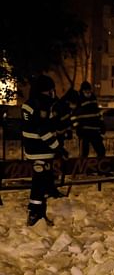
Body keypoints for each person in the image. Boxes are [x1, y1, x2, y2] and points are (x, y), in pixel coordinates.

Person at [21, 75, 65, 226]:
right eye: (50, 90)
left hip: (34, 149)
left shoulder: (30, 104)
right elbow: (43, 130)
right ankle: (34, 213)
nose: (52, 92)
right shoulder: (43, 106)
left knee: (43, 181)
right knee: (39, 183)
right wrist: (58, 147)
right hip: (41, 150)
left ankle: (39, 213)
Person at [72, 81, 106, 158]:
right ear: (83, 91)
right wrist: (78, 128)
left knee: (101, 151)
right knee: (84, 153)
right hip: (84, 132)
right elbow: (74, 117)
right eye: (86, 91)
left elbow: (99, 115)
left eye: (89, 90)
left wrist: (102, 127)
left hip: (95, 131)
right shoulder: (79, 101)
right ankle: (82, 168)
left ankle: (100, 167)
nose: (88, 92)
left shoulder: (94, 100)